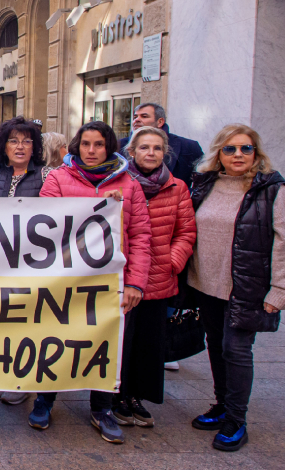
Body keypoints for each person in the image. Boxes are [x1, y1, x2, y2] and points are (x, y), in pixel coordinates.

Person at [31, 120, 152, 443]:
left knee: (105, 342)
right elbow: (45, 222)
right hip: (64, 279)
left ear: (109, 147)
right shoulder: (58, 178)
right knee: (55, 338)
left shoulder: (130, 185)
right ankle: (45, 399)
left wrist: (136, 284)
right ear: (76, 147)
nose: (92, 151)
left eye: (99, 144)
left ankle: (102, 408)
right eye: (86, 144)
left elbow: (141, 237)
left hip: (110, 281)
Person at [187, 124, 285, 452]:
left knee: (236, 350)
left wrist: (281, 289)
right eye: (230, 149)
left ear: (256, 153)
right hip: (206, 283)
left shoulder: (271, 189)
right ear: (218, 153)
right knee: (217, 344)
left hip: (246, 287)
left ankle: (237, 419)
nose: (238, 155)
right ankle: (222, 405)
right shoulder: (205, 183)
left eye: (246, 148)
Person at [108, 126, 196, 428]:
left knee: (148, 341)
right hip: (121, 277)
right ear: (132, 151)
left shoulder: (177, 187)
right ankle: (116, 397)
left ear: (165, 153)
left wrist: (172, 262)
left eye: (157, 148)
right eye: (144, 147)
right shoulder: (117, 183)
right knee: (123, 340)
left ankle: (137, 397)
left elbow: (186, 232)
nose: (151, 153)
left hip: (158, 278)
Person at [0, 117, 52, 405]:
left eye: (27, 141)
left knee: (27, 324)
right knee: (0, 323)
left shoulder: (47, 177)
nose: (20, 146)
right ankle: (3, 374)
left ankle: (23, 381)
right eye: (13, 140)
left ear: (35, 147)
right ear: (3, 146)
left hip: (31, 266)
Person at [119, 103, 204, 185]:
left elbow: (204, 178)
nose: (136, 120)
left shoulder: (189, 146)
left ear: (160, 121)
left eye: (144, 116)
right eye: (135, 117)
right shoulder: (119, 145)